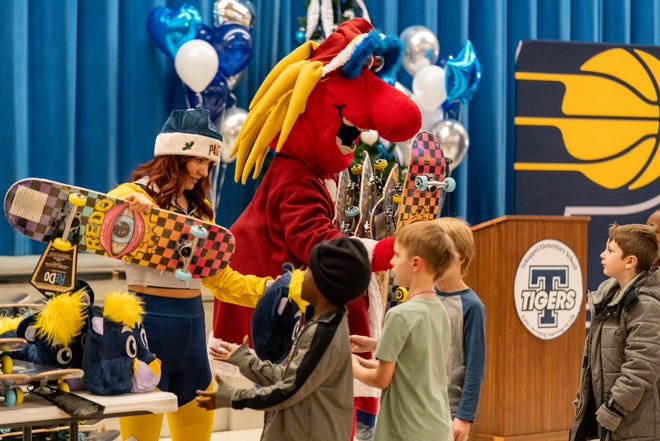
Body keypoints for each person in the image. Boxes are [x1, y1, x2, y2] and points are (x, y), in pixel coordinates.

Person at [107, 108, 268, 441]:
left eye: (210, 164)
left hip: (193, 333)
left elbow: (220, 281)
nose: (204, 171)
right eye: (200, 161)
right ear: (177, 154)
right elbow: (101, 226)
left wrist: (272, 289)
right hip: (147, 332)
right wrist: (131, 208)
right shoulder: (131, 195)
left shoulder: (201, 209)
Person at [195, 236, 373, 441]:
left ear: (323, 285)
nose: (300, 275)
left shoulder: (324, 333)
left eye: (308, 271)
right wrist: (245, 360)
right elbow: (293, 377)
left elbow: (288, 391)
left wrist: (232, 397)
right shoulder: (328, 322)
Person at [351, 220, 457, 441]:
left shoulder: (399, 316)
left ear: (415, 263)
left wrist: (352, 366)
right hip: (437, 427)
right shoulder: (441, 310)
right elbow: (411, 364)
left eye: (397, 255)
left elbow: (382, 378)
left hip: (405, 430)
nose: (391, 261)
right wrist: (371, 347)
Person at [569, 223, 660, 441]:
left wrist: (614, 409)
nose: (602, 255)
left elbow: (641, 368)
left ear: (630, 261)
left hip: (634, 426)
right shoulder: (608, 299)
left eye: (610, 250)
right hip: (611, 422)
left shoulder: (646, 306)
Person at [433, 217, 486, 441]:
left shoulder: (471, 306)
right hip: (418, 408)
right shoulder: (423, 296)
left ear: (460, 257)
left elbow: (475, 368)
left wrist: (464, 416)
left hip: (449, 412)